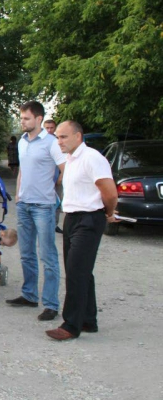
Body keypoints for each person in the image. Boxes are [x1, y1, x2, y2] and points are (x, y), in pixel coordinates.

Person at [46, 121, 119, 341]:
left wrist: (109, 212)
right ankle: (88, 320)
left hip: (89, 218)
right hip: (72, 218)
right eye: (57, 137)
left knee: (76, 271)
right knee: (81, 270)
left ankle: (70, 325)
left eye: (63, 137)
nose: (59, 141)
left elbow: (110, 192)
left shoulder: (92, 158)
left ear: (78, 136)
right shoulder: (70, 160)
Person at [6, 101, 67, 322]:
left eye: (26, 118)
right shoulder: (22, 141)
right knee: (27, 253)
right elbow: (23, 169)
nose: (22, 122)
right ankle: (29, 295)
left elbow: (65, 168)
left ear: (39, 119)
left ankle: (51, 304)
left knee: (48, 255)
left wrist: (56, 186)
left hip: (43, 205)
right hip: (25, 204)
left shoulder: (51, 143)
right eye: (21, 118)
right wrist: (19, 194)